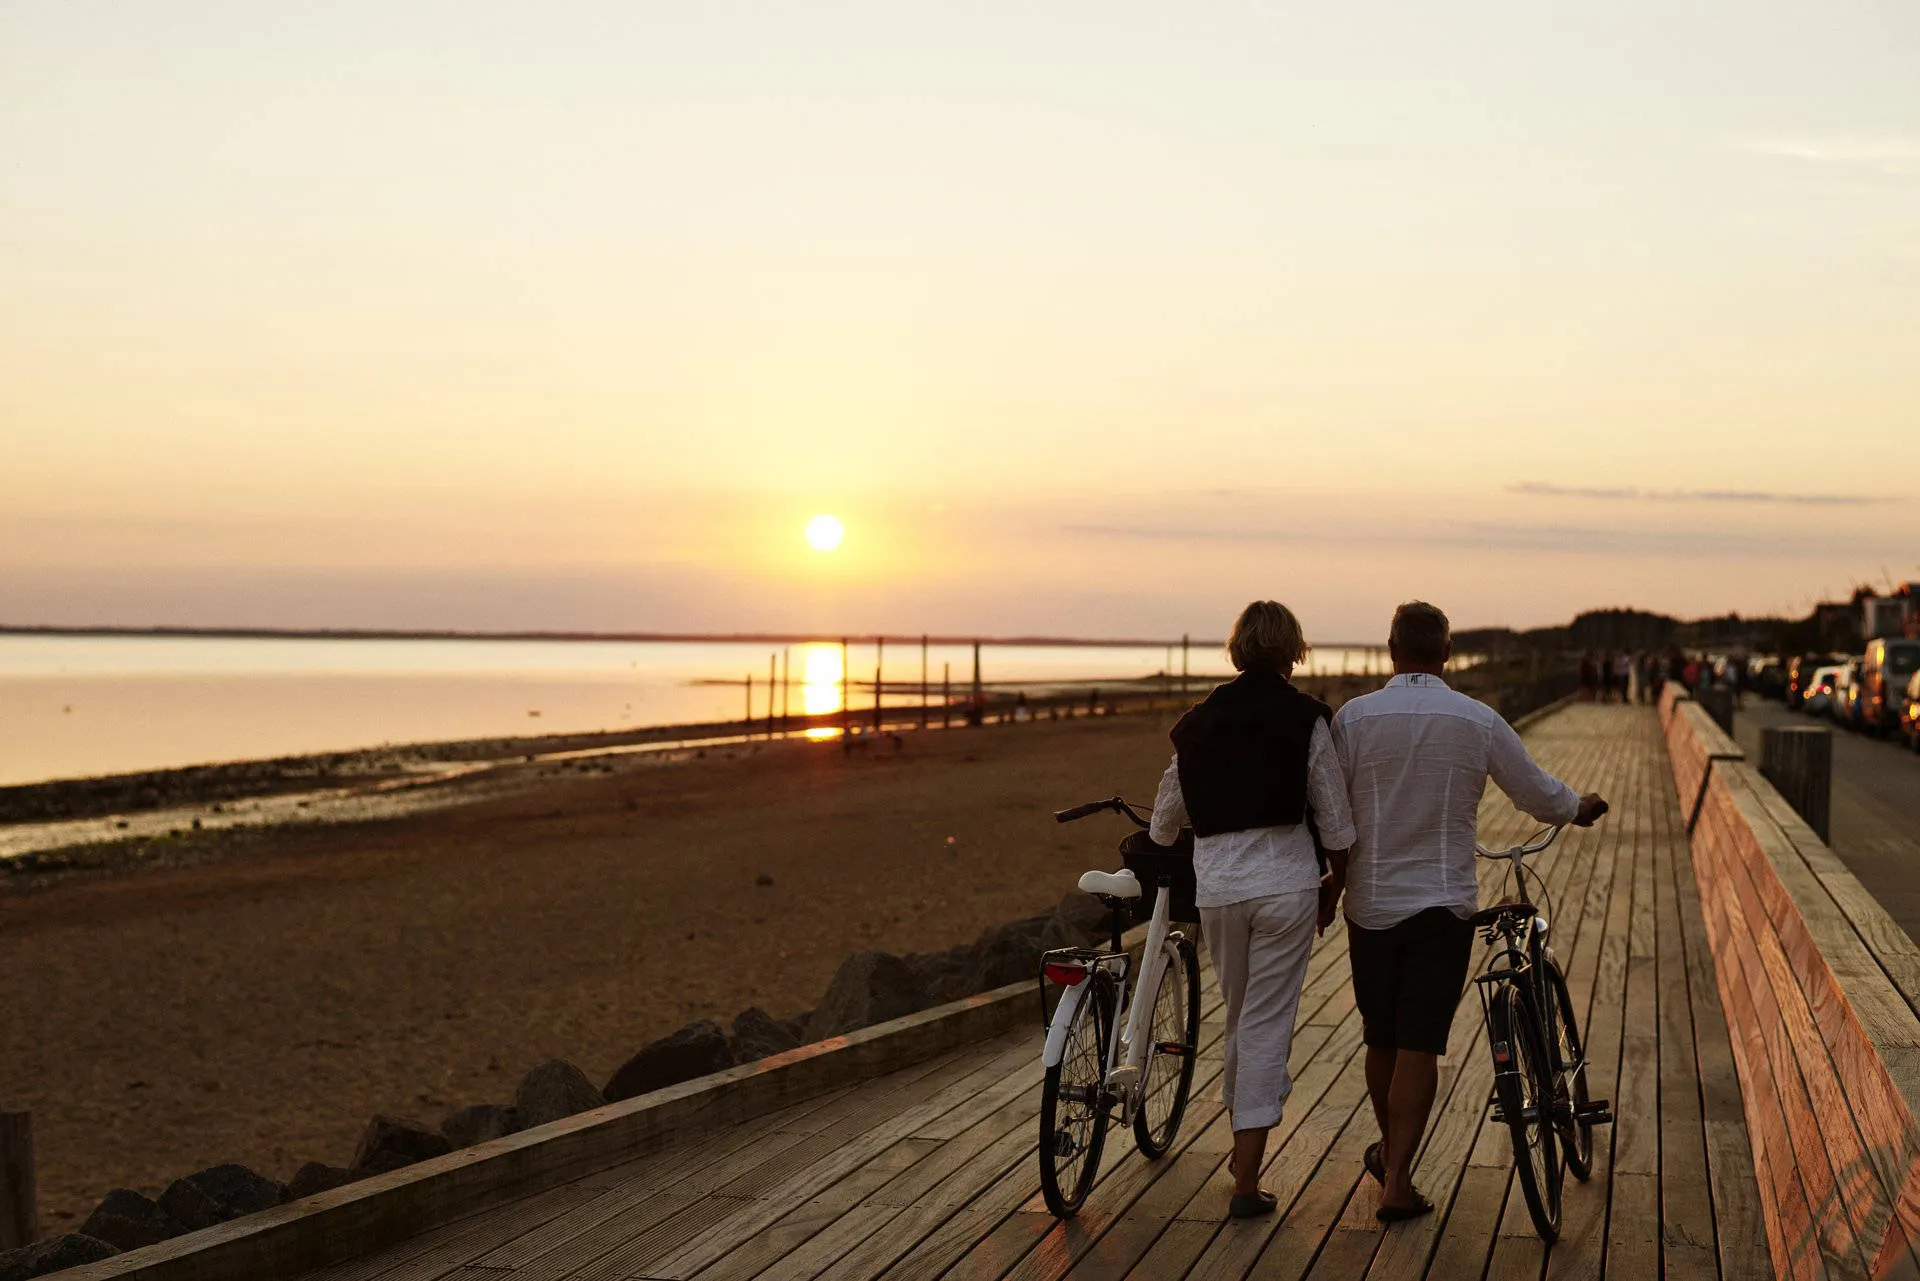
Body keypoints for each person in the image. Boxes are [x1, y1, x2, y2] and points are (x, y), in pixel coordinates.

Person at [1326, 602, 1607, 1222]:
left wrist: (1326, 877)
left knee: (1382, 1037)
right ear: (1447, 654)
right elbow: (1535, 791)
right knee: (1420, 1043)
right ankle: (1397, 1177)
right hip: (1442, 904)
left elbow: (1330, 805)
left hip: (1369, 903)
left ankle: (1392, 1155)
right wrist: (1577, 808)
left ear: (1390, 649)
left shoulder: (1354, 718)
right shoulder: (1475, 719)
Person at [1150, 600, 1355, 1219]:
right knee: (1264, 1023)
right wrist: (1334, 886)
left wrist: (1169, 843)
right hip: (1287, 887)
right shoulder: (1305, 718)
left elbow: (1165, 817)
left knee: (1239, 1015)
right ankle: (1245, 1179)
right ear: (1293, 650)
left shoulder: (1199, 722)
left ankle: (1243, 1153)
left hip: (1218, 891)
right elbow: (1336, 820)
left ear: (1237, 649)